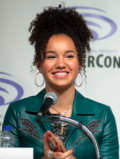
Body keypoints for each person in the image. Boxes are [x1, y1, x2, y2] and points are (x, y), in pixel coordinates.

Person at [3, 4, 119, 159]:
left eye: (69, 56)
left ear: (80, 63)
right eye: (51, 56)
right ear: (39, 64)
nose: (61, 64)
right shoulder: (18, 113)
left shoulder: (102, 116)